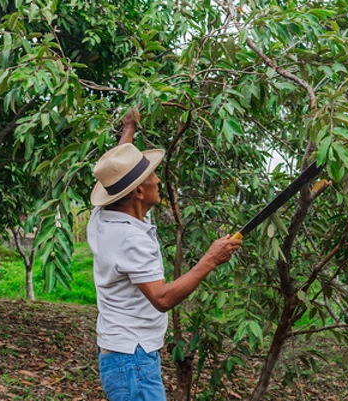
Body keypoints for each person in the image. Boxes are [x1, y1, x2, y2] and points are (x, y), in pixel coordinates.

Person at [87, 108, 242, 401]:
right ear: (138, 193)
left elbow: (119, 170)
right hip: (132, 359)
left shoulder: (103, 214)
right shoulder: (130, 238)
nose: (157, 180)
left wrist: (129, 129)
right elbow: (162, 299)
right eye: (151, 176)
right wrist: (209, 260)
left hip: (121, 350)